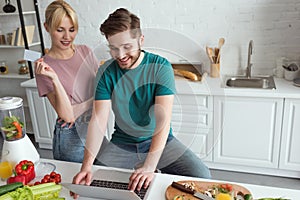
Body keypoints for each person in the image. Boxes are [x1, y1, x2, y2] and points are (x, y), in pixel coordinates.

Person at [72, 7, 211, 195]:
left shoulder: (160, 67)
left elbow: (163, 120)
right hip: (122, 143)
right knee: (96, 182)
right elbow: (98, 120)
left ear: (140, 40)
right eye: (113, 48)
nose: (120, 55)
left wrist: (149, 166)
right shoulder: (105, 73)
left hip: (161, 141)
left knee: (201, 175)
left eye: (127, 47)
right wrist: (86, 166)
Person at [35, 0, 106, 163]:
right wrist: (55, 79)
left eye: (72, 30)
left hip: (96, 125)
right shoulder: (44, 67)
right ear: (47, 28)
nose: (67, 37)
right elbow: (67, 115)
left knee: (102, 179)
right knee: (74, 186)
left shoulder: (85, 51)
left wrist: (83, 106)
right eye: (60, 30)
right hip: (71, 136)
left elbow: (104, 89)